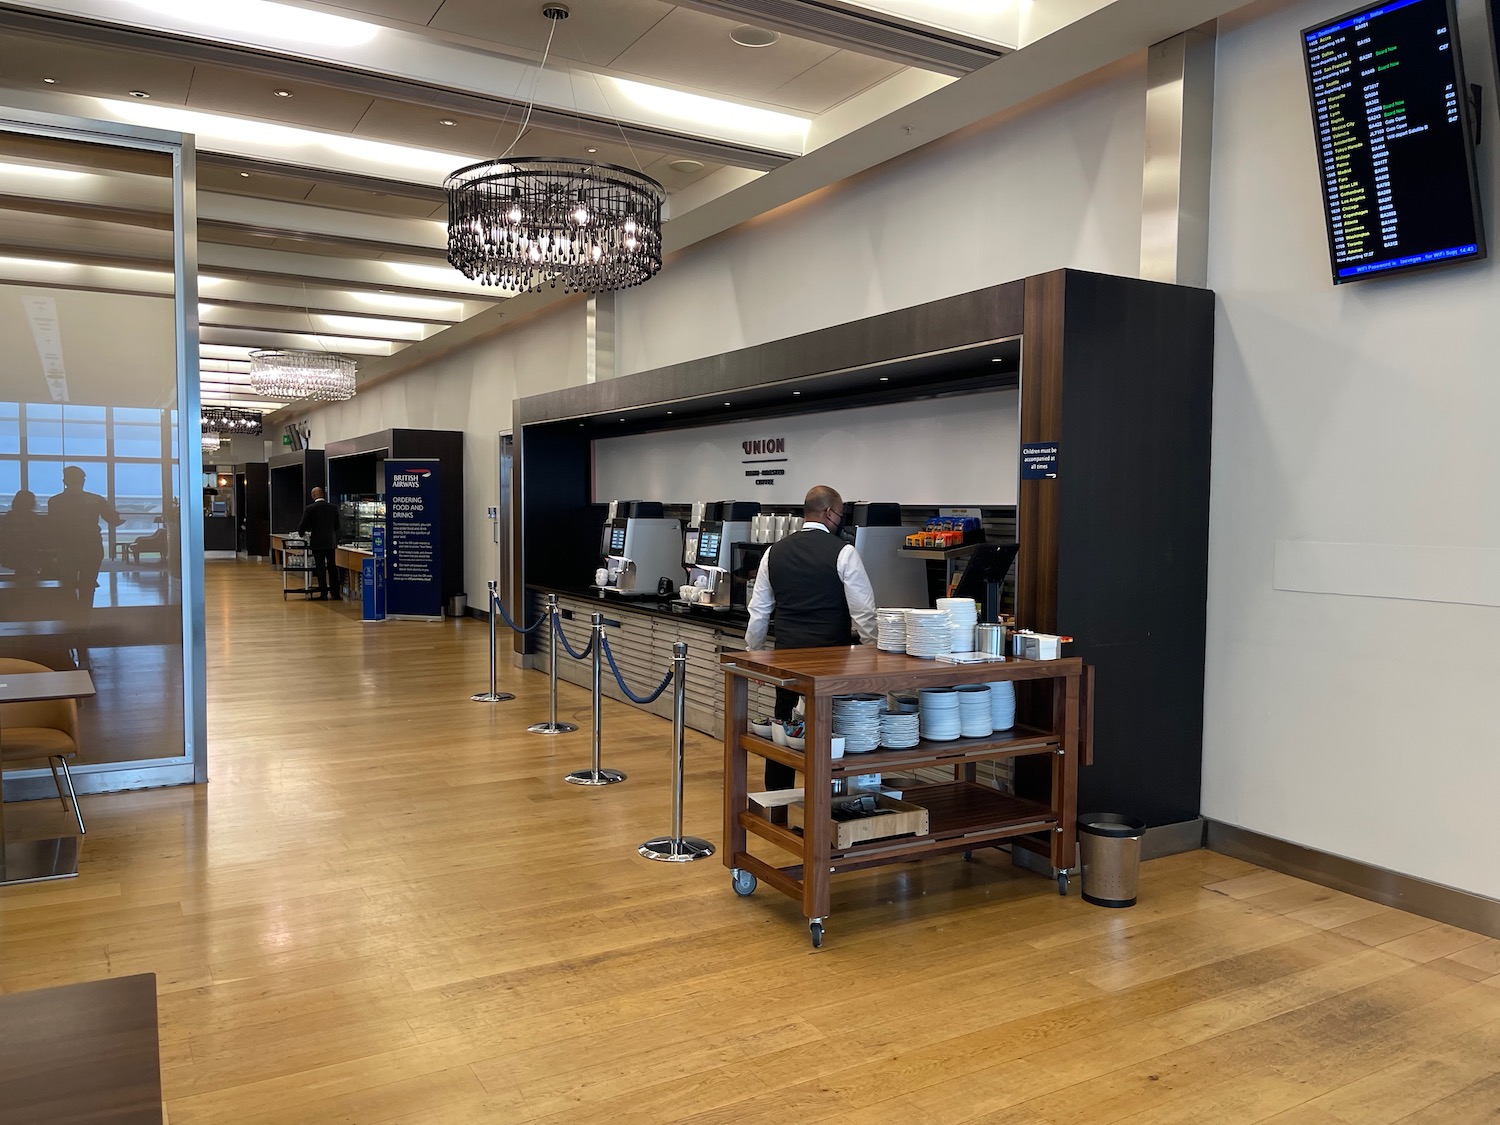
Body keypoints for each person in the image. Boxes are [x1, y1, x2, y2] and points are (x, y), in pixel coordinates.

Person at [744, 484, 877, 789]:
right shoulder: (844, 552)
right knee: (829, 731)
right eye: (840, 513)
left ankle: (778, 798)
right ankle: (826, 800)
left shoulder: (772, 553)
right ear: (829, 512)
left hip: (787, 657)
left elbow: (759, 612)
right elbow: (864, 612)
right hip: (832, 660)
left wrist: (756, 654)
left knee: (784, 728)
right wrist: (873, 650)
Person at [47, 467, 123, 610]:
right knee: (88, 587)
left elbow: (53, 527)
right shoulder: (96, 499)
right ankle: (84, 619)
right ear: (83, 481)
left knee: (68, 586)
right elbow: (112, 518)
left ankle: (72, 619)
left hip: (67, 548)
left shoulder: (55, 501)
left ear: (64, 481)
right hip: (92, 547)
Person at [297, 486, 341, 600]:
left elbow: (302, 525)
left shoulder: (310, 508)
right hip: (331, 541)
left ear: (314, 495)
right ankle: (335, 593)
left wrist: (301, 534)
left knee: (320, 567)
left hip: (317, 542)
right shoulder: (333, 508)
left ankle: (323, 593)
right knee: (332, 566)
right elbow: (337, 526)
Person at [0, 489, 46, 577]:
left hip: (11, 553)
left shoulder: (9, 517)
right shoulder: (33, 518)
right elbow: (40, 537)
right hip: (31, 553)